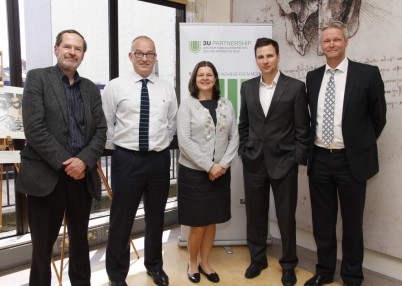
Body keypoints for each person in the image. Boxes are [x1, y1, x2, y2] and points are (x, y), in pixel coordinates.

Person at [16, 29, 107, 286]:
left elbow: (101, 131)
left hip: (81, 178)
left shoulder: (90, 89)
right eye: (67, 46)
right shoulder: (37, 79)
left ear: (83, 55)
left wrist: (84, 161)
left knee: (80, 244)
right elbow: (34, 129)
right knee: (42, 249)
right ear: (56, 49)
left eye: (78, 49)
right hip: (47, 177)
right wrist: (68, 162)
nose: (72, 52)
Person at [304, 20, 386, 286]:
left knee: (352, 224)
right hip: (319, 160)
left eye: (336, 39)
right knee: (322, 223)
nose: (331, 44)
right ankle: (324, 272)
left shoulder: (367, 74)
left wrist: (359, 145)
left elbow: (378, 118)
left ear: (346, 42)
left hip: (351, 161)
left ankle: (352, 277)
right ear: (321, 45)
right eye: (326, 40)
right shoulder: (313, 77)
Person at [102, 35, 178, 286]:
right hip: (127, 161)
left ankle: (154, 266)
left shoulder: (167, 87)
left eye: (150, 54)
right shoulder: (115, 87)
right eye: (140, 53)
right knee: (121, 220)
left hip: (158, 161)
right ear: (130, 56)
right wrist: (125, 148)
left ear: (156, 58)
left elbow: (170, 124)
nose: (145, 58)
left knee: (156, 217)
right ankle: (116, 275)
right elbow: (108, 124)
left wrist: (156, 147)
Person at [238, 38, 310, 286]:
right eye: (260, 57)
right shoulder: (247, 87)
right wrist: (244, 151)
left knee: (285, 217)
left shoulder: (296, 88)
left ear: (278, 57)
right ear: (256, 59)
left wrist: (295, 159)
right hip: (254, 162)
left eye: (269, 56)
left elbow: (303, 129)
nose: (265, 61)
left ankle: (288, 264)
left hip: (284, 163)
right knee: (255, 215)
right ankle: (257, 259)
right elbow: (243, 125)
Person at [177, 61, 239, 284]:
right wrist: (209, 165)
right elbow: (184, 141)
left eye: (209, 74)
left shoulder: (226, 104)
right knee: (198, 223)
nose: (205, 78)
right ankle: (192, 263)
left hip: (220, 173)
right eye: (200, 75)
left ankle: (205, 262)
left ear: (215, 78)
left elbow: (235, 137)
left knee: (212, 220)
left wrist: (222, 165)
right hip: (194, 174)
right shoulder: (187, 106)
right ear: (194, 79)